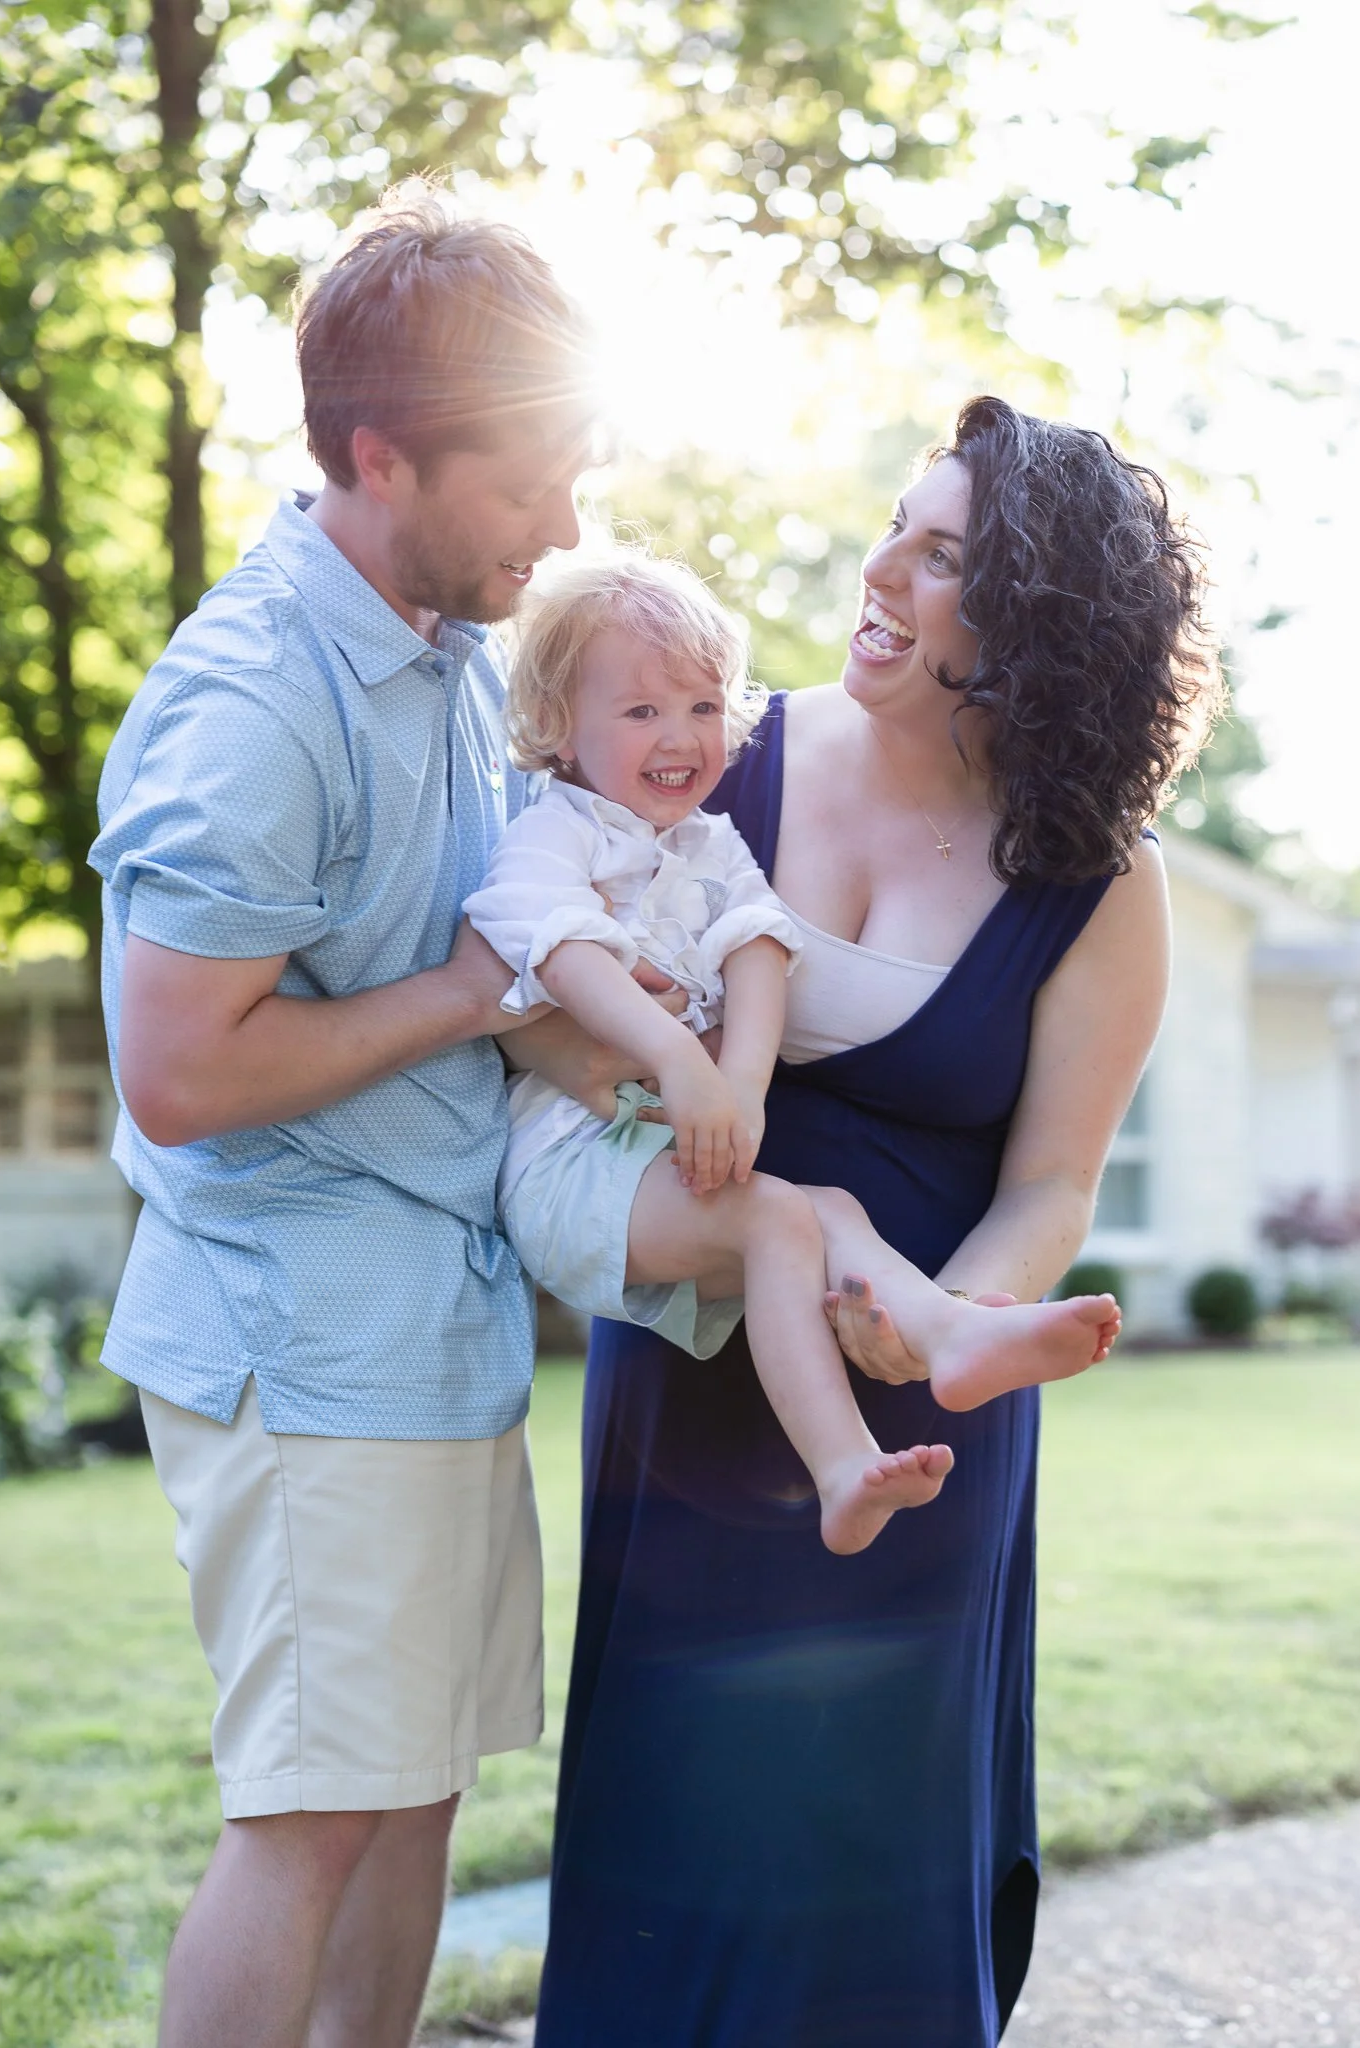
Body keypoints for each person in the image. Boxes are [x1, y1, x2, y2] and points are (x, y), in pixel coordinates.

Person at [528, 397, 1219, 2048]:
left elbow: (1056, 1178)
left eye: (944, 556)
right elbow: (541, 988)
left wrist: (933, 1318)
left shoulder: (1104, 881)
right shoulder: (714, 751)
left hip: (919, 1397)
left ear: (1040, 627)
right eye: (896, 527)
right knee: (677, 1820)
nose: (883, 572)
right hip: (697, 1372)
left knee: (865, 1845)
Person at [88, 191, 599, 2048]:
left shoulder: (447, 658)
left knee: (408, 1795)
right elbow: (181, 1069)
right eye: (531, 479)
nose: (565, 527)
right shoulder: (255, 705)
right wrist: (469, 991)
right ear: (382, 455)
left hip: (430, 1327)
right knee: (307, 1819)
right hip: (302, 1351)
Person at [465, 553, 1121, 1553]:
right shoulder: (555, 836)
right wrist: (678, 1061)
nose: (680, 736)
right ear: (557, 723)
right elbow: (559, 953)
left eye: (699, 704)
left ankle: (951, 1330)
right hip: (568, 1162)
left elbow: (761, 942)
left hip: (646, 1152)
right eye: (640, 711)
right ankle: (842, 1467)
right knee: (777, 1217)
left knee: (831, 1211)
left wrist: (744, 1086)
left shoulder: (706, 842)